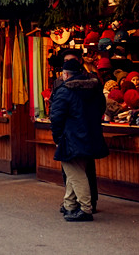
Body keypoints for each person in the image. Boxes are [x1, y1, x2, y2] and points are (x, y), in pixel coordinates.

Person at [50, 59, 108, 222]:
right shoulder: (94, 88)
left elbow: (56, 117)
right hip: (91, 135)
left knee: (74, 173)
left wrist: (57, 137)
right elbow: (102, 108)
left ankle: (84, 208)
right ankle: (69, 204)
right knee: (76, 170)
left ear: (66, 74)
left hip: (71, 136)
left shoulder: (64, 91)